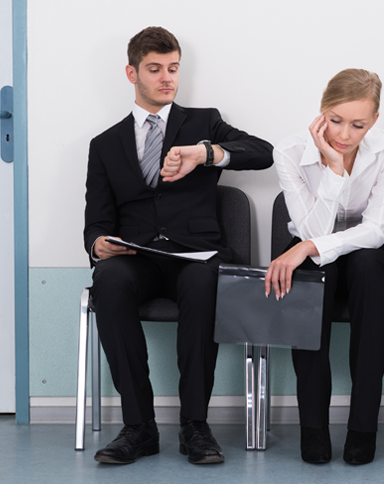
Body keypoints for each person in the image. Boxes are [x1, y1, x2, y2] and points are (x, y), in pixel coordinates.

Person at [83, 26, 273, 465]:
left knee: (203, 282)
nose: (167, 78)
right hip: (137, 258)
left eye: (173, 68)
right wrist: (98, 244)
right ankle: (138, 427)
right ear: (132, 73)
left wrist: (207, 153)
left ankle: (195, 425)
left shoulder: (204, 122)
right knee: (107, 281)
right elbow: (96, 219)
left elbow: (263, 152)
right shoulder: (105, 145)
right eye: (155, 69)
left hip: (195, 255)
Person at [264, 68, 384, 465]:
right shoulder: (289, 152)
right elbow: (313, 227)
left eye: (357, 125)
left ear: (374, 121)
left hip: (368, 256)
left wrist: (307, 246)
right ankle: (314, 428)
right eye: (336, 120)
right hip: (311, 254)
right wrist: (334, 168)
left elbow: (376, 230)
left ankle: (363, 427)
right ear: (321, 112)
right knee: (308, 276)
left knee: (366, 269)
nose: (343, 135)